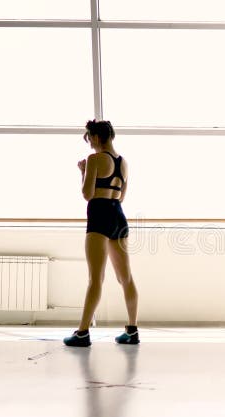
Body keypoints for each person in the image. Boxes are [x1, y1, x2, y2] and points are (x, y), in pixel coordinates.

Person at [64, 120, 140, 347]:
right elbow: (121, 196)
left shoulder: (95, 160)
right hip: (118, 214)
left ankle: (82, 332)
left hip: (99, 215)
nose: (89, 144)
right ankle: (132, 329)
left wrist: (84, 172)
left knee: (95, 278)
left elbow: (88, 194)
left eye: (89, 138)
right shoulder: (123, 162)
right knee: (125, 277)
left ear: (96, 137)